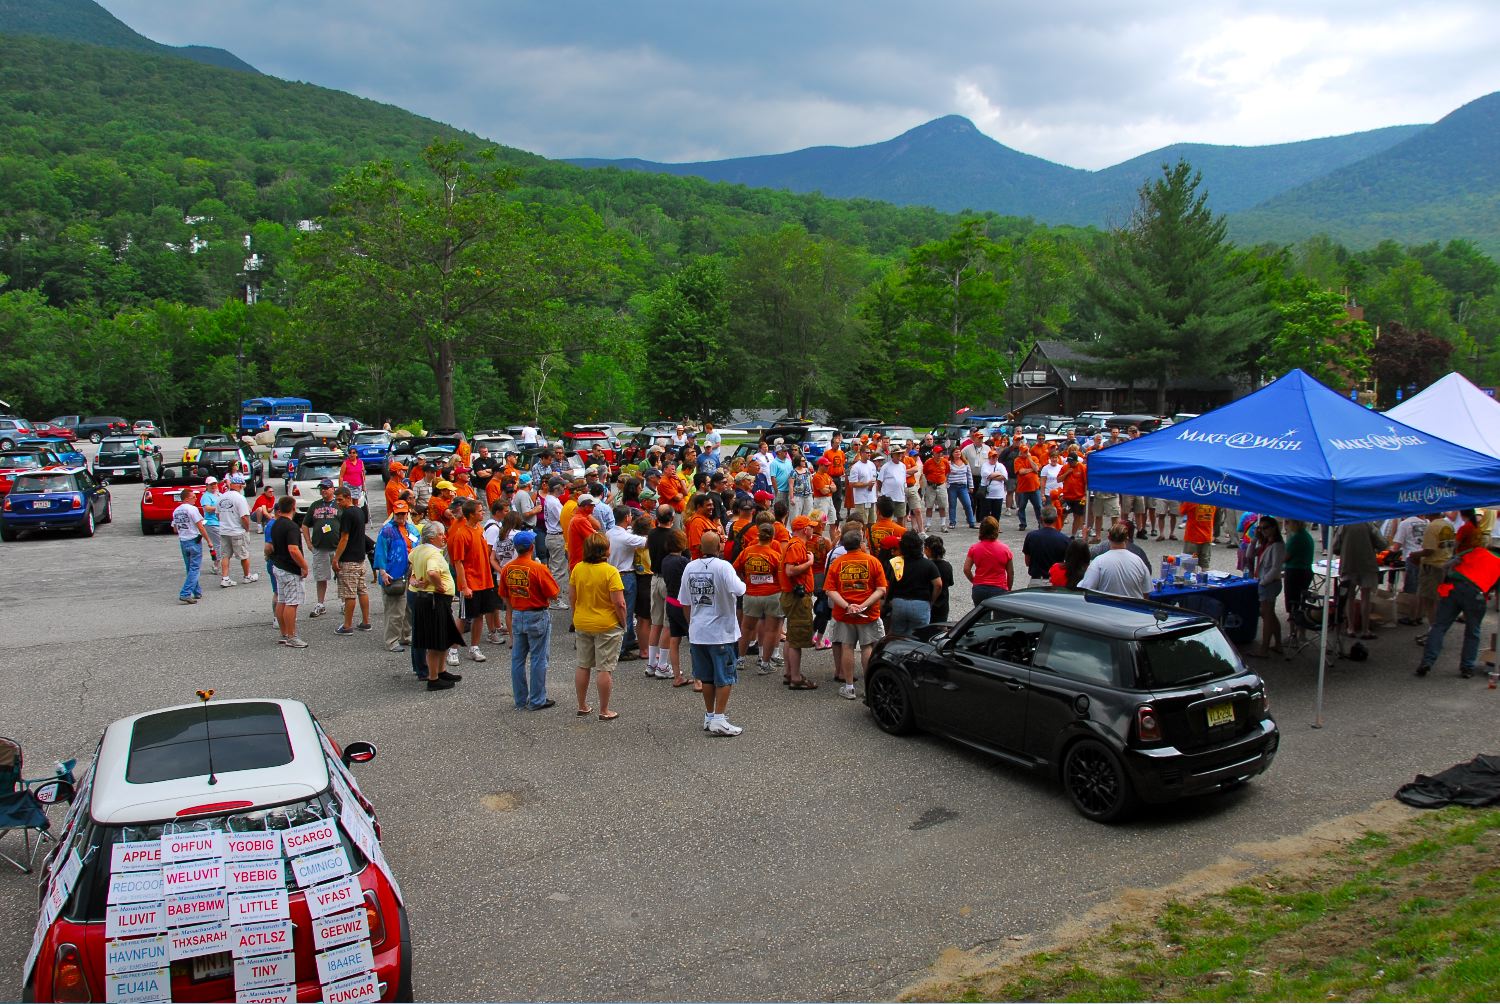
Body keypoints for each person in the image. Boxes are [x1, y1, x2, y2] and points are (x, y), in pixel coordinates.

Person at [679, 531, 748, 735]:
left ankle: (710, 715)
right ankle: (719, 717)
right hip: (721, 632)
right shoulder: (723, 567)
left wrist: (692, 624)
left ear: (700, 548)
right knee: (725, 676)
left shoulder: (690, 567)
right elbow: (740, 589)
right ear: (719, 547)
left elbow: (685, 601)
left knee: (707, 677)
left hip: (698, 630)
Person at [1415, 525, 1495, 679]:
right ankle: (1467, 667)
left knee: (1439, 626)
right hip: (1476, 593)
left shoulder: (1468, 552)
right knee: (1473, 631)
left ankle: (1427, 662)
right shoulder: (1495, 560)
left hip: (1453, 588)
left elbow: (1446, 566)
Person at [499, 530, 560, 709]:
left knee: (518, 658)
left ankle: (520, 699)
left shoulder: (508, 568)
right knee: (538, 658)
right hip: (537, 614)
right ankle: (537, 699)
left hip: (518, 614)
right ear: (531, 547)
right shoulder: (538, 568)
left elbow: (503, 593)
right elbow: (554, 594)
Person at [825, 529, 888, 700]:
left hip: (844, 614)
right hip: (868, 613)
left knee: (847, 646)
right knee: (867, 647)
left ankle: (849, 687)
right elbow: (881, 589)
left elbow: (830, 590)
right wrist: (863, 606)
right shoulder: (873, 561)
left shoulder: (837, 563)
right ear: (860, 543)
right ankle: (868, 687)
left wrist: (848, 606)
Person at [571, 531, 626, 720]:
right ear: (605, 550)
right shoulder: (610, 572)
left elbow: (572, 596)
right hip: (606, 624)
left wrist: (576, 615)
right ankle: (604, 710)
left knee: (583, 665)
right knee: (604, 668)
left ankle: (582, 705)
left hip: (582, 621)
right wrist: (623, 622)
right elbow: (619, 603)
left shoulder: (578, 569)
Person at [408, 522, 464, 691]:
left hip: (427, 598)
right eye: (440, 534)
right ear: (432, 537)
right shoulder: (433, 554)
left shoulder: (418, 550)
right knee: (435, 640)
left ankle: (441, 671)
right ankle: (433, 678)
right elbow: (432, 572)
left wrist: (415, 580)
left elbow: (411, 566)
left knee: (443, 637)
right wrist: (439, 585)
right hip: (434, 599)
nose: (443, 537)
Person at [448, 499, 498, 661]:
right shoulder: (461, 534)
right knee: (464, 617)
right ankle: (453, 650)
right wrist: (464, 586)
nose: (483, 513)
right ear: (471, 514)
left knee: (479, 615)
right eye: (480, 511)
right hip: (470, 583)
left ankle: (474, 647)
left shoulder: (480, 529)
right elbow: (458, 562)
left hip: (484, 581)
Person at [734, 522, 786, 675]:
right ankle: (764, 664)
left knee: (746, 628)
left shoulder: (747, 552)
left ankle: (740, 660)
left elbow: (735, 568)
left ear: (758, 535)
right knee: (771, 630)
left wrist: (744, 580)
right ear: (772, 537)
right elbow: (781, 576)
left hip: (751, 594)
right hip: (772, 595)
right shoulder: (775, 555)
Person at [373, 500, 417, 652]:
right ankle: (392, 641)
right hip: (393, 574)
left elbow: (417, 545)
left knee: (409, 608)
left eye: (403, 513)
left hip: (410, 572)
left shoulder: (411, 529)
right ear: (393, 513)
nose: (401, 516)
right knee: (395, 610)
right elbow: (380, 552)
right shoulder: (387, 530)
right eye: (398, 514)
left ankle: (406, 635)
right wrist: (382, 572)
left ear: (407, 513)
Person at [606, 505, 649, 660]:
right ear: (627, 518)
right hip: (625, 575)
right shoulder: (625, 537)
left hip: (612, 573)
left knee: (617, 609)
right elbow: (647, 542)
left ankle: (629, 639)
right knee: (627, 612)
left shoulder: (609, 533)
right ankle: (622, 648)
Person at [267, 496, 310, 646]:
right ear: (293, 507)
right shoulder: (291, 526)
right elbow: (293, 549)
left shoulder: (275, 524)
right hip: (290, 569)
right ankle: (292, 636)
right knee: (292, 603)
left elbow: (270, 546)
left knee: (282, 600)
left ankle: (284, 633)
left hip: (278, 566)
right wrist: (304, 565)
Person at [330, 486, 371, 635]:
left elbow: (344, 538)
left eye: (340, 499)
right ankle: (366, 622)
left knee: (349, 594)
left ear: (348, 497)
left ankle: (347, 625)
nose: (338, 503)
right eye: (336, 500)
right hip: (360, 558)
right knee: (362, 591)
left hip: (349, 560)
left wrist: (336, 558)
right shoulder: (359, 511)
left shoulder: (347, 514)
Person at [886, 530, 943, 635]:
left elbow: (888, 584)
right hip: (920, 603)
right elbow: (938, 585)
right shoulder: (928, 564)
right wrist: (931, 601)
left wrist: (888, 600)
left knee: (897, 636)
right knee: (918, 637)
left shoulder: (896, 563)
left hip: (899, 603)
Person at [1336, 521, 1385, 640]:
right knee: (1365, 597)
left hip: (1348, 564)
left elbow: (1335, 546)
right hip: (1367, 564)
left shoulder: (1344, 524)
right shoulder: (1369, 523)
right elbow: (1382, 544)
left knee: (1350, 597)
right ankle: (1365, 629)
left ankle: (1350, 628)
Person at [1412, 511, 1456, 635]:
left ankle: (1433, 630)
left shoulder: (1432, 526)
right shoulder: (1448, 524)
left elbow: (1429, 550)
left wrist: (1414, 555)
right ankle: (1437, 628)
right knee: (1439, 600)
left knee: (1430, 600)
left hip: (1433, 566)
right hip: (1446, 564)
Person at [659, 529, 693, 688]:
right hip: (683, 603)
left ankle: (677, 675)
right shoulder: (683, 562)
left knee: (675, 639)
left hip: (670, 601)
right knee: (694, 641)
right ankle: (698, 679)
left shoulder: (665, 560)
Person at [1078, 524, 1151, 598]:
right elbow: (1146, 592)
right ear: (1127, 539)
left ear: (1108, 537)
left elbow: (1086, 589)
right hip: (1133, 604)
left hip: (1107, 604)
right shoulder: (1139, 561)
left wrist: (1085, 539)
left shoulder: (1098, 562)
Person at [303, 479, 341, 618]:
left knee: (341, 575)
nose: (323, 490)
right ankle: (320, 604)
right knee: (321, 577)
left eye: (326, 488)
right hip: (319, 547)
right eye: (322, 488)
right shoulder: (315, 505)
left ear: (332, 489)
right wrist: (308, 543)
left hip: (337, 547)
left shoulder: (339, 504)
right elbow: (305, 525)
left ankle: (344, 602)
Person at [1249, 516, 1285, 657]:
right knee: (1268, 614)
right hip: (1266, 582)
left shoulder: (1277, 545)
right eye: (1260, 528)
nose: (1263, 531)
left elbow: (1276, 567)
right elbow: (1249, 555)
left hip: (1270, 583)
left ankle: (1264, 648)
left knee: (1267, 615)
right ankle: (1278, 644)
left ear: (1274, 528)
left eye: (1265, 528)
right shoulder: (1266, 543)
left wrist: (1263, 581)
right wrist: (1254, 539)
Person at [170, 488, 213, 604]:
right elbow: (200, 526)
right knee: (195, 568)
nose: (195, 499)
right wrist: (209, 540)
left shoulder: (176, 511)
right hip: (193, 540)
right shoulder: (192, 509)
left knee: (190, 568)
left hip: (183, 540)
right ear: (186, 498)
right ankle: (185, 593)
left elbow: (175, 529)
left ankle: (197, 591)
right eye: (193, 497)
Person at [215, 475, 257, 585]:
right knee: (244, 555)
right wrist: (247, 528)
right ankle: (247, 576)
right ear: (240, 486)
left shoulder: (221, 497)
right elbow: (244, 517)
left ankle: (225, 578)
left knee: (225, 555)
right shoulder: (240, 498)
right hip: (237, 531)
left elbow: (217, 514)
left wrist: (224, 522)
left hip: (224, 530)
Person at [962, 516, 1014, 605]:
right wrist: (1008, 588)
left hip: (979, 589)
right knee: (999, 613)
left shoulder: (974, 548)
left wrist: (975, 581)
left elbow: (966, 569)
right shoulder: (1005, 549)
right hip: (999, 588)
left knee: (980, 613)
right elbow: (1010, 573)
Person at [1022, 507, 1070, 586]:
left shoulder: (1031, 536)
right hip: (1055, 581)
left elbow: (1027, 562)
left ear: (1041, 519)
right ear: (1056, 519)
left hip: (1036, 580)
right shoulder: (1065, 539)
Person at [542, 477, 569, 607]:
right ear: (557, 487)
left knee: (554, 568)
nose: (564, 488)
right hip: (556, 537)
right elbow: (563, 518)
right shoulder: (553, 502)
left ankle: (552, 596)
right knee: (559, 570)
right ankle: (555, 600)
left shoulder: (550, 499)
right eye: (563, 486)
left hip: (552, 536)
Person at [944, 444, 976, 530]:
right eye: (956, 452)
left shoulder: (965, 463)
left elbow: (969, 475)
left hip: (963, 486)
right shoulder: (949, 463)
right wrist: (946, 485)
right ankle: (952, 522)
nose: (958, 453)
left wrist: (971, 486)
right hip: (952, 486)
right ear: (952, 454)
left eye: (959, 452)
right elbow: (946, 475)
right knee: (952, 505)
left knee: (967, 504)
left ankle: (971, 522)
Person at [924, 535, 953, 624]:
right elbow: (950, 583)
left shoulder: (926, 566)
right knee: (940, 629)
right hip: (942, 606)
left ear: (928, 549)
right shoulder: (947, 566)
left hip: (927, 604)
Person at [1179, 500, 1216, 569]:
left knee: (1189, 565)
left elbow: (1181, 512)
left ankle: (1191, 575)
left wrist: (1182, 500)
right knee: (1204, 565)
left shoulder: (1190, 501)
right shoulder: (1213, 501)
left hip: (1192, 537)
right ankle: (1203, 575)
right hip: (1207, 537)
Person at [846, 448, 878, 525]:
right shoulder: (856, 467)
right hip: (861, 500)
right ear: (861, 453)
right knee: (862, 523)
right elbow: (852, 484)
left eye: (869, 452)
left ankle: (870, 533)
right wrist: (866, 484)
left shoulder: (872, 464)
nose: (869, 454)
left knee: (872, 522)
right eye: (867, 452)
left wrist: (875, 493)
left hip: (872, 498)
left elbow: (874, 479)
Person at [978, 450, 1008, 524]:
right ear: (989, 457)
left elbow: (1004, 476)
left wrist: (992, 476)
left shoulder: (1001, 466)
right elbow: (986, 475)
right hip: (987, 495)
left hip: (998, 495)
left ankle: (995, 526)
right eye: (992, 457)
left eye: (996, 457)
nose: (994, 458)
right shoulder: (985, 465)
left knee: (996, 513)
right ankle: (985, 527)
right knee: (985, 513)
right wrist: (998, 473)